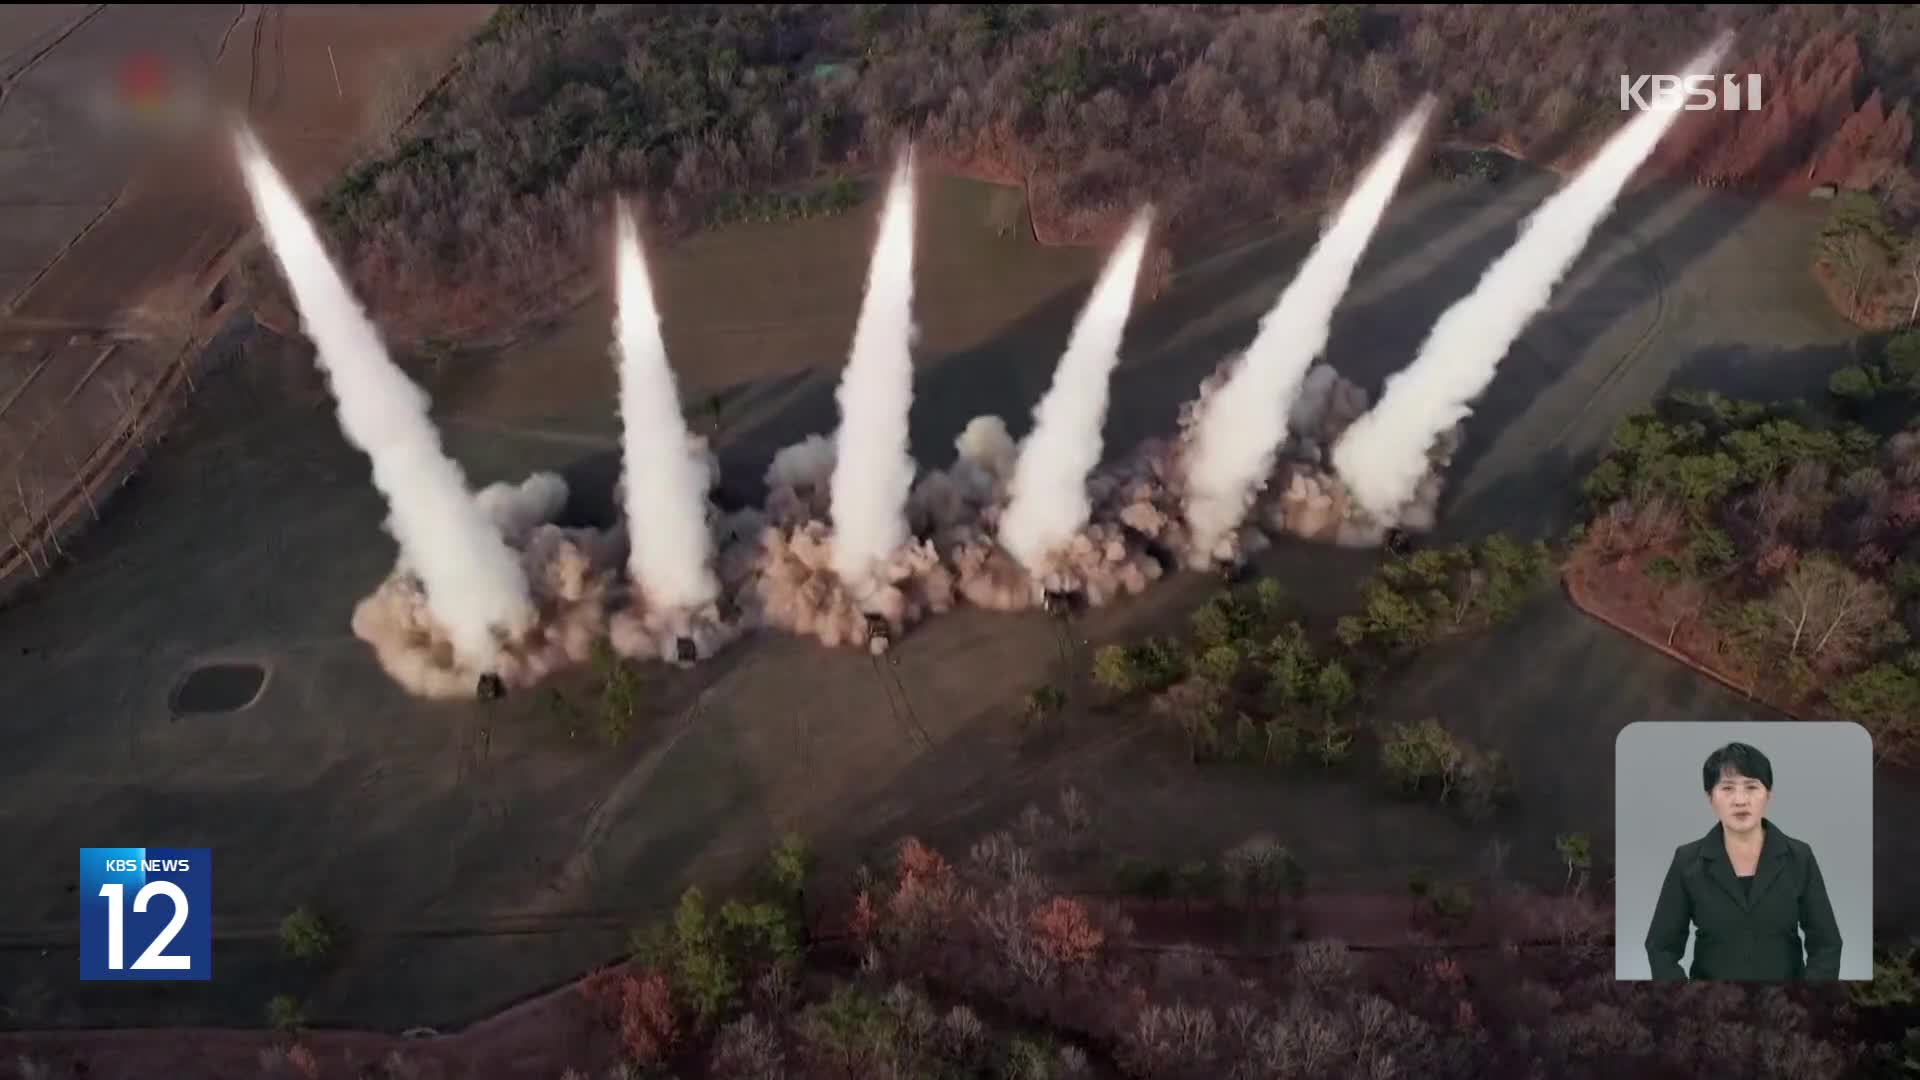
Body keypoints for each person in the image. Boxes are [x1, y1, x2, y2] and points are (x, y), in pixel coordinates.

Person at [1644, 742, 1843, 981]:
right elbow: (1661, 947)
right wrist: (1687, 1001)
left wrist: (1807, 1001)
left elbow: (1827, 945)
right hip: (1712, 1007)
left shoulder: (1799, 857)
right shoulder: (1687, 861)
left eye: (1751, 787)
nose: (1740, 800)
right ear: (1710, 797)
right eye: (1727, 788)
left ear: (1768, 794)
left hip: (1787, 1006)